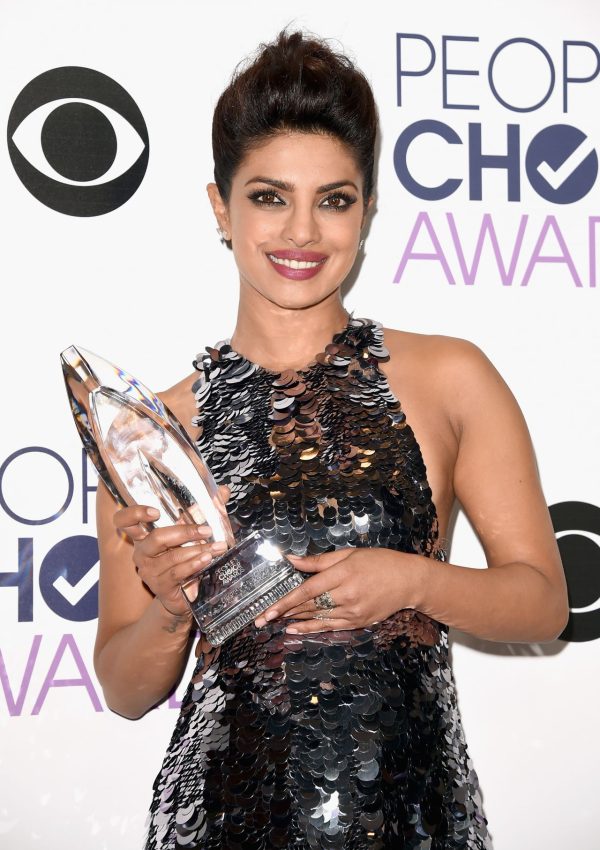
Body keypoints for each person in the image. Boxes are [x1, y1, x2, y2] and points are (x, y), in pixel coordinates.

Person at [94, 30, 568, 850]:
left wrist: (410, 579)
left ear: (368, 208)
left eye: (335, 199)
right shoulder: (154, 434)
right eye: (271, 197)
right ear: (221, 206)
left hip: (413, 814)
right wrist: (173, 611)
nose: (303, 233)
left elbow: (542, 601)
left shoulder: (450, 377)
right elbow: (125, 687)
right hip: (223, 818)